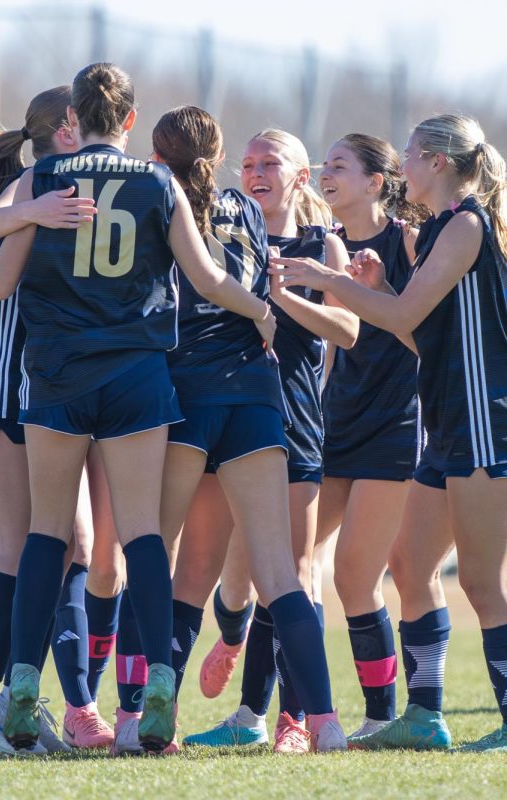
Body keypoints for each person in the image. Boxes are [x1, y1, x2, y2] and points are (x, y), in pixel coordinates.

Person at [0, 62, 275, 754]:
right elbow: (207, 277)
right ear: (126, 120)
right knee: (142, 536)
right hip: (136, 378)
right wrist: (260, 310)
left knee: (45, 537)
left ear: (74, 120)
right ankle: (156, 684)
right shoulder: (158, 182)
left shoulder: (45, 179)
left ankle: (25, 683)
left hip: (57, 377)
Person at [269, 113, 507, 755]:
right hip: (451, 425)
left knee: (483, 582)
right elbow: (410, 327)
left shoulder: (466, 224)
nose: (404, 168)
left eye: (413, 156)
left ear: (441, 163)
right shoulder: (442, 230)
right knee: (408, 564)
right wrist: (377, 285)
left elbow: (398, 317)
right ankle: (424, 716)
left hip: (488, 421)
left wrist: (331, 282)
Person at [145, 106, 347, 754]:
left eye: (271, 163)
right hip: (256, 402)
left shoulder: (162, 199)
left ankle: (143, 714)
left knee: (172, 566)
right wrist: (263, 311)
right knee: (274, 575)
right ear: (226, 159)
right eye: (249, 162)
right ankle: (322, 722)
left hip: (199, 397)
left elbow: (199, 284)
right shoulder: (244, 213)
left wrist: (266, 306)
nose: (257, 173)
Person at [0, 85, 113, 755]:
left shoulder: (72, 186)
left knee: (74, 546)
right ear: (69, 127)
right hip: (5, 387)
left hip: (47, 390)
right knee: (28, 543)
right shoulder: (36, 185)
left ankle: (43, 700)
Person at [313, 133, 428, 740]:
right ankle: (276, 714)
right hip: (333, 424)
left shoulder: (405, 243)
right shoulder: (318, 242)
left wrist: (378, 287)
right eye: (323, 163)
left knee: (355, 576)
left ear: (376, 182)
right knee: (289, 561)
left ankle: (382, 714)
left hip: (394, 427)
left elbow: (421, 338)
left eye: (339, 165)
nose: (324, 173)